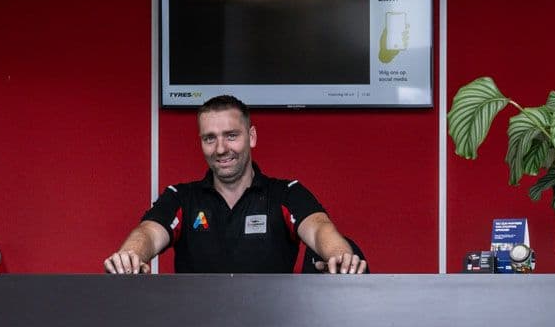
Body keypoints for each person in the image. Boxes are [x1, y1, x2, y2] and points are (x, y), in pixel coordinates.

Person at [104, 95, 366, 275]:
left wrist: (339, 255)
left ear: (251, 137)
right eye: (210, 138)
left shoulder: (285, 194)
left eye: (231, 135)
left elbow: (319, 227)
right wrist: (130, 255)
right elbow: (149, 232)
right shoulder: (181, 197)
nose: (220, 149)